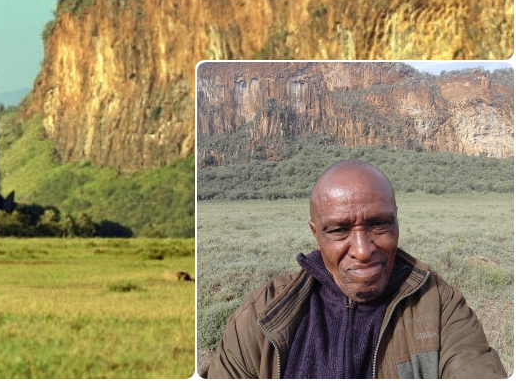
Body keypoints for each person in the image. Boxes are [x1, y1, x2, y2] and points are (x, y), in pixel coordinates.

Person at [205, 160, 506, 379]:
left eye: (379, 224)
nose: (362, 250)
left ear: (396, 220)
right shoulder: (263, 314)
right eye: (339, 230)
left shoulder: (439, 305)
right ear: (316, 234)